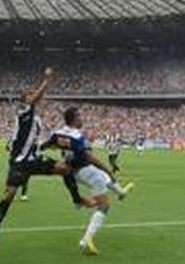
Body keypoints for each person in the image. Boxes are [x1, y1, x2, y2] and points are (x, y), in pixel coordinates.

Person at [0, 68, 82, 251]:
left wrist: (54, 145)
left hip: (33, 159)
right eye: (30, 94)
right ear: (25, 99)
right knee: (8, 195)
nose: (33, 96)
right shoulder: (22, 110)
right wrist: (46, 81)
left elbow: (42, 141)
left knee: (65, 169)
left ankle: (77, 200)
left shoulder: (38, 120)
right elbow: (34, 101)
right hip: (19, 163)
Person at [45, 107, 134, 255]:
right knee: (104, 205)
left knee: (104, 178)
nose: (82, 119)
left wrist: (46, 148)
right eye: (80, 116)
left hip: (73, 172)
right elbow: (90, 157)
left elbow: (49, 144)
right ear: (74, 119)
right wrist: (109, 170)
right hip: (86, 171)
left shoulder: (58, 133)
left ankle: (121, 192)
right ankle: (86, 240)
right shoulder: (77, 136)